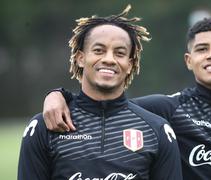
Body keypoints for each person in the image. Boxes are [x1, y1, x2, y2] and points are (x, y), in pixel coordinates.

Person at [43, 17, 211, 179]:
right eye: (202, 49)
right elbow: (107, 104)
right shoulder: (167, 109)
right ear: (189, 61)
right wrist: (59, 95)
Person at [18, 5, 183, 180]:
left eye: (119, 53)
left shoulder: (157, 130)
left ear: (130, 65)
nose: (109, 59)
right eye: (99, 50)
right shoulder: (46, 126)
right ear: (80, 58)